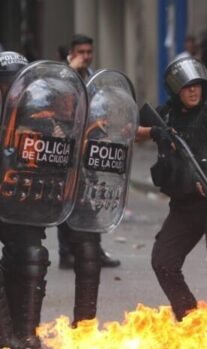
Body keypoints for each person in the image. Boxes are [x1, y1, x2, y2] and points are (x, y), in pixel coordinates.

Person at [137, 56, 207, 321]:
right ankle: (191, 320)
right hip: (185, 206)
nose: (193, 91)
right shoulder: (165, 115)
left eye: (197, 86)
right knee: (163, 261)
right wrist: (155, 132)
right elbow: (133, 133)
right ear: (176, 90)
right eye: (187, 87)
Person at [59, 33, 121, 270]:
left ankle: (94, 249)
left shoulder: (93, 77)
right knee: (66, 200)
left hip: (90, 145)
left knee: (91, 197)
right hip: (67, 145)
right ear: (72, 53)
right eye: (81, 52)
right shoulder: (64, 76)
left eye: (89, 52)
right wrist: (71, 72)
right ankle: (67, 253)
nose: (85, 56)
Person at [0, 51, 36, 349]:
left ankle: (27, 333)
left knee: (32, 255)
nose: (14, 89)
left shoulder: (38, 113)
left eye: (19, 83)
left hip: (18, 199)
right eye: (8, 83)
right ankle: (6, 338)